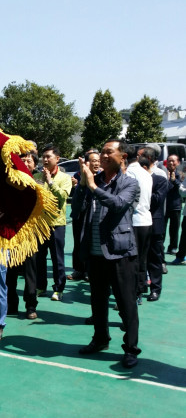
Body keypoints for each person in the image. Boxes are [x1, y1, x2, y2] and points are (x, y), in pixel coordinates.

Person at [72, 139, 141, 368]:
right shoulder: (95, 179)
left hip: (119, 252)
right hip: (95, 252)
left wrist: (92, 187)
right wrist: (83, 185)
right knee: (97, 301)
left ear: (122, 156)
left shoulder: (129, 183)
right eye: (101, 151)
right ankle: (100, 339)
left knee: (126, 303)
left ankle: (131, 349)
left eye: (108, 152)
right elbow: (77, 208)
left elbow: (119, 205)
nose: (102, 155)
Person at [34, 144, 72, 301]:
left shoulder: (65, 178)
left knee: (57, 259)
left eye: (48, 157)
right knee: (39, 258)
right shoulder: (36, 177)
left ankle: (58, 288)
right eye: (43, 157)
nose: (45, 159)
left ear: (57, 159)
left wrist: (50, 182)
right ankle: (40, 286)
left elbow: (63, 196)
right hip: (40, 224)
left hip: (56, 224)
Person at [6, 147, 39, 319]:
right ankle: (11, 305)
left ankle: (31, 306)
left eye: (29, 161)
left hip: (30, 236)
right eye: (22, 160)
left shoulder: (39, 184)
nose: (25, 163)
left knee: (30, 273)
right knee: (10, 273)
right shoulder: (9, 182)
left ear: (34, 165)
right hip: (11, 235)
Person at [138, 147, 168, 300]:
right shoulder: (134, 177)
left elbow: (157, 200)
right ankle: (139, 287)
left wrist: (141, 197)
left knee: (154, 258)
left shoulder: (160, 178)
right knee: (138, 258)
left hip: (154, 224)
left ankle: (155, 289)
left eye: (139, 156)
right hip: (138, 224)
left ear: (148, 159)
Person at [125, 145, 153, 304]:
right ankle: (139, 292)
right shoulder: (147, 173)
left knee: (131, 261)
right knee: (142, 259)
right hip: (146, 221)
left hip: (134, 221)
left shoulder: (129, 173)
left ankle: (132, 294)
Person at [68, 150, 100, 281]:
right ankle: (78, 269)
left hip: (93, 213)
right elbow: (76, 197)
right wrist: (75, 186)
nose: (97, 163)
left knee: (91, 242)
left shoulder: (101, 176)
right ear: (87, 163)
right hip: (80, 213)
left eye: (98, 161)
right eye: (94, 161)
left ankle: (89, 270)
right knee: (78, 242)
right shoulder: (78, 175)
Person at [164, 154, 182, 254]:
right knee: (162, 228)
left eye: (173, 161)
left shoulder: (181, 174)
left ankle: (173, 247)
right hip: (164, 205)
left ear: (178, 162)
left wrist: (174, 180)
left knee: (174, 229)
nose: (171, 163)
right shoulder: (163, 173)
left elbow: (181, 188)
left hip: (175, 205)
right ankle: (160, 246)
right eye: (169, 160)